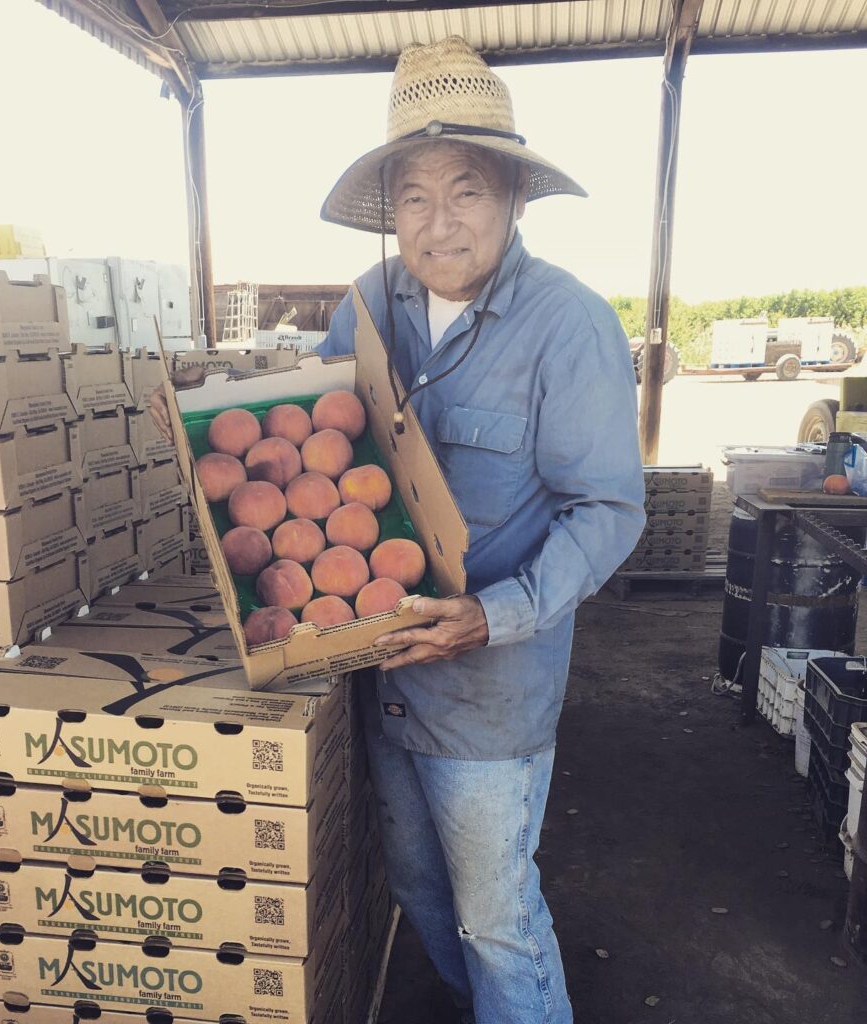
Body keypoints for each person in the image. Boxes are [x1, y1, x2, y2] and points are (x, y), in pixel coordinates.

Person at [153, 36, 645, 1024]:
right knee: (420, 893)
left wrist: (489, 613)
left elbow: (609, 511)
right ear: (391, 213)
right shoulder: (368, 305)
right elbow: (327, 450)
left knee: (495, 915)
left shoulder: (568, 325)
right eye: (414, 197)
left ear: (509, 194)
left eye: (465, 189)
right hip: (379, 673)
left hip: (488, 690)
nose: (440, 221)